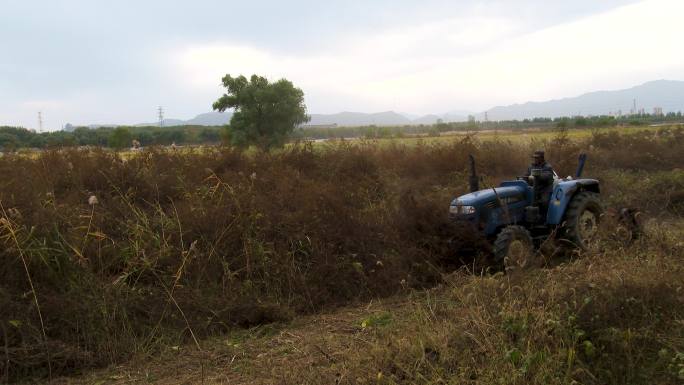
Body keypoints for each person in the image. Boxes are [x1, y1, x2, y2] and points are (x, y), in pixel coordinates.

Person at [524, 150, 555, 218]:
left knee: (544, 202)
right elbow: (526, 176)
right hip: (534, 188)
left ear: (542, 158)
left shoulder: (547, 167)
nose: (535, 159)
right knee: (525, 199)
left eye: (537, 158)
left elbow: (546, 176)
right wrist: (523, 179)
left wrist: (536, 177)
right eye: (534, 158)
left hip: (545, 189)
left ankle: (544, 218)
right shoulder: (531, 166)